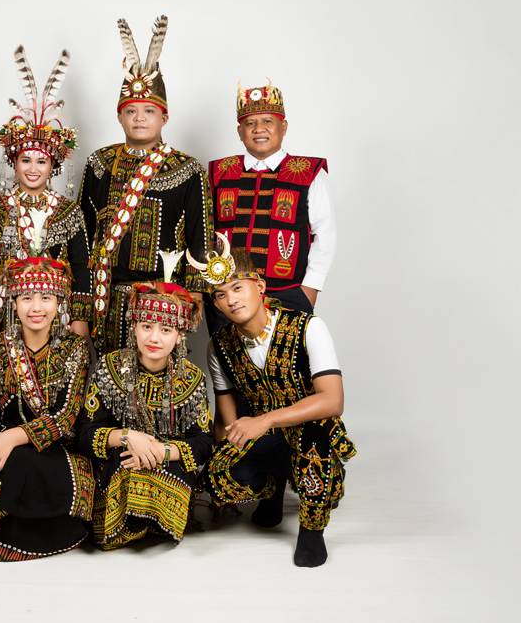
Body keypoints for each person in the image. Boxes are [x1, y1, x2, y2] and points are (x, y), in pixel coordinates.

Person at [189, 235, 356, 567]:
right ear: (215, 304)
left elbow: (332, 400)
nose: (231, 300)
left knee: (315, 435)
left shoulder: (308, 327)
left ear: (260, 286)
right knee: (219, 477)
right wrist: (219, 462)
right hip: (265, 436)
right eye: (220, 295)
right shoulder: (218, 346)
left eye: (238, 288)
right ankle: (272, 489)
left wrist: (265, 420)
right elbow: (227, 420)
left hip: (312, 434)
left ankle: (312, 529)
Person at [77, 15, 213, 353]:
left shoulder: (187, 168)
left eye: (148, 111)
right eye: (131, 111)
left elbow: (200, 236)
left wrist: (195, 294)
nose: (139, 118)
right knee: (110, 371)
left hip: (163, 298)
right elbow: (82, 233)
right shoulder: (99, 164)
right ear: (119, 116)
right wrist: (80, 299)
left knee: (161, 374)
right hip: (107, 296)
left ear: (164, 117)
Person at [0, 257, 94, 561]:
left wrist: (12, 437)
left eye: (46, 298)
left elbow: (65, 417)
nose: (36, 308)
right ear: (13, 303)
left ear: (59, 303)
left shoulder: (74, 348)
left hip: (56, 451)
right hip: (2, 455)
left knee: (26, 460)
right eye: (27, 298)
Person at [76, 252, 212, 549]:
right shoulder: (110, 368)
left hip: (169, 463)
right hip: (119, 460)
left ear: (180, 335)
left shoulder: (192, 379)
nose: (154, 338)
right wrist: (128, 437)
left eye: (166, 330)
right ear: (134, 327)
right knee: (123, 464)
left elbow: (203, 442)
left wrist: (160, 451)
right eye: (146, 326)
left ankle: (156, 522)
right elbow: (85, 433)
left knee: (164, 470)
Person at [0, 46, 91, 346]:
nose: (33, 169)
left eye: (41, 162)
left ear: (53, 166)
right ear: (14, 163)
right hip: (4, 311)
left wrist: (80, 317)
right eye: (25, 160)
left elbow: (81, 265)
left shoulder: (68, 211)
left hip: (55, 312)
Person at [206, 81, 335, 329]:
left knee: (286, 354)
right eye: (250, 123)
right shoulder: (219, 171)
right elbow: (204, 232)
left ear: (283, 127)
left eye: (267, 121)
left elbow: (326, 234)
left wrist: (309, 289)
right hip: (230, 296)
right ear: (239, 131)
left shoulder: (308, 172)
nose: (259, 129)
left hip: (288, 293)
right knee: (229, 354)